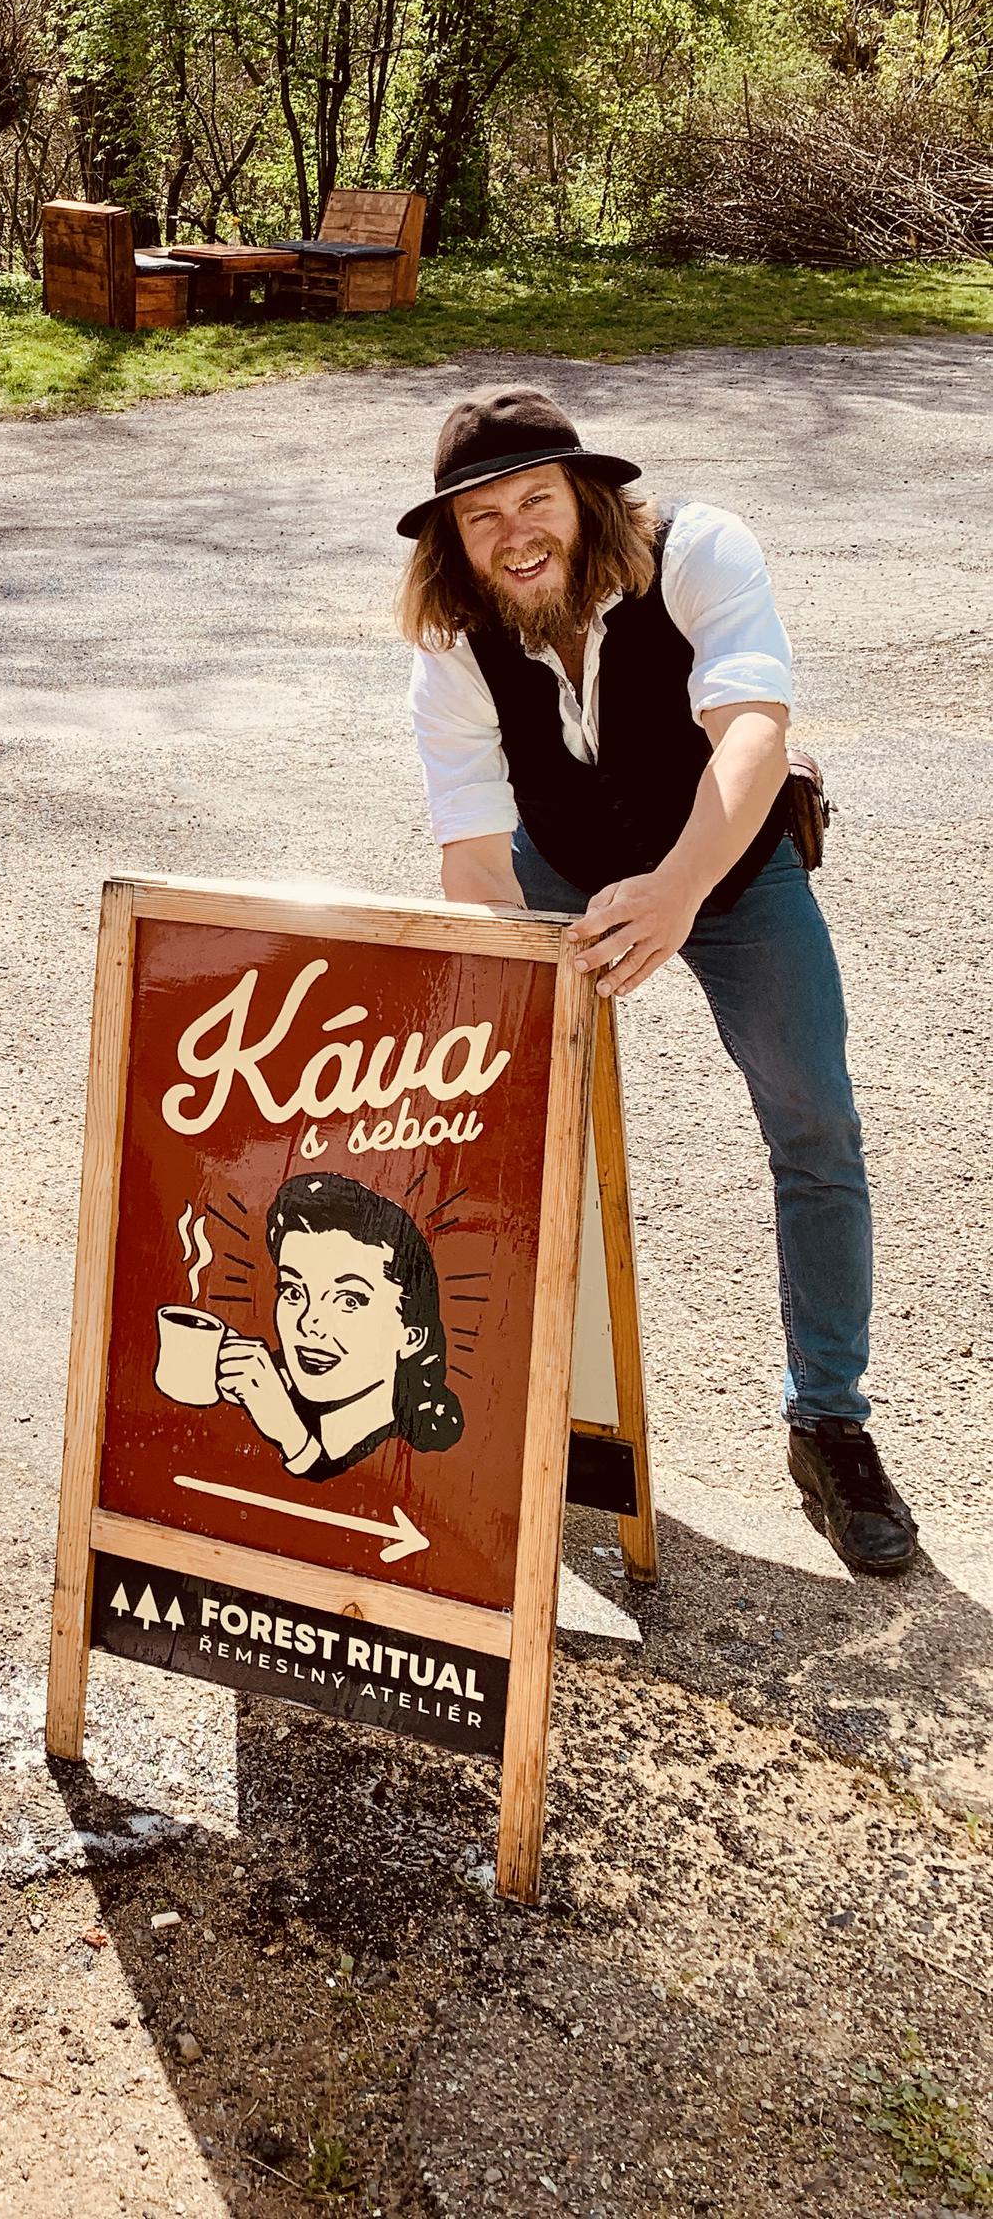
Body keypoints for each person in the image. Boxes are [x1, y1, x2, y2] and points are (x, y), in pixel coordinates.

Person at [397, 384, 916, 1575]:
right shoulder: (455, 653)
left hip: (729, 868)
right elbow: (474, 861)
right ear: (453, 546)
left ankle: (829, 1423)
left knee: (814, 1123)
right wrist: (511, 992)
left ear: (585, 496)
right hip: (561, 863)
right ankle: (495, 1404)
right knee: (484, 1117)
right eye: (481, 520)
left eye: (536, 500)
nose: (516, 533)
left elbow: (754, 734)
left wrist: (679, 889)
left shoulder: (697, 550)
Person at [212, 1170, 465, 1480]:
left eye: (349, 1300)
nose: (309, 1323)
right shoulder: (259, 1408)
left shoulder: (416, 1464)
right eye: (293, 1292)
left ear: (410, 1336)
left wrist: (290, 1435)